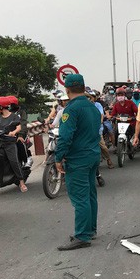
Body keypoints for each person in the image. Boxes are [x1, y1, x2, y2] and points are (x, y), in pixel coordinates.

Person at [55, 74, 102, 251]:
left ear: (67, 90)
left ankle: (82, 235)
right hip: (92, 155)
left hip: (78, 159)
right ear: (83, 87)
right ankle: (90, 230)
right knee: (90, 194)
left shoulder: (71, 110)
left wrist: (58, 157)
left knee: (80, 196)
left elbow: (65, 136)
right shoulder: (93, 108)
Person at [89, 90, 114, 169]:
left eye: (90, 97)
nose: (89, 99)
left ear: (94, 98)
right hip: (87, 130)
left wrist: (99, 123)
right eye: (87, 97)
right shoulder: (84, 106)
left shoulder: (98, 105)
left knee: (103, 146)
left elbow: (101, 115)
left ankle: (108, 159)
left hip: (97, 129)